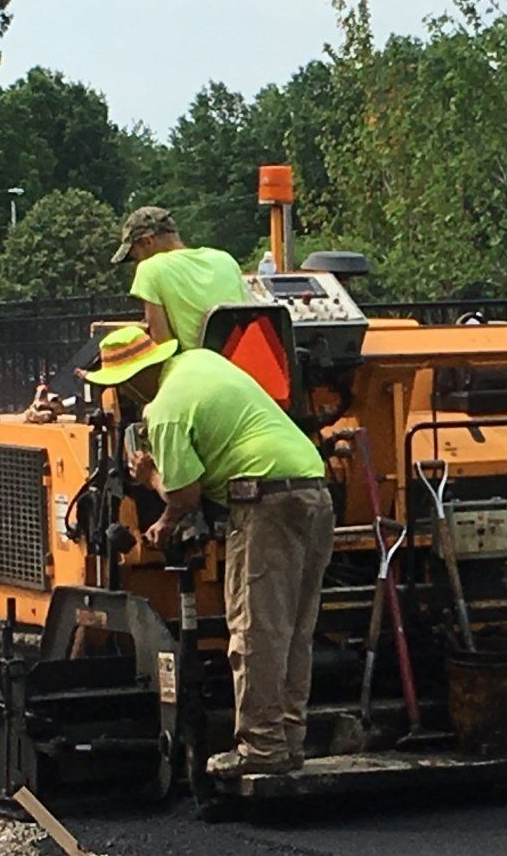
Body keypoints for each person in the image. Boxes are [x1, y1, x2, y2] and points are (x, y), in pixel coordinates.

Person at [80, 323, 334, 776]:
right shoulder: (201, 362)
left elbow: (185, 494)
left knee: (256, 630)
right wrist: (167, 521)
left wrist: (148, 478)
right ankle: (287, 741)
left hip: (265, 502)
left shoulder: (165, 410)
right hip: (313, 490)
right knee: (294, 629)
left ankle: (261, 749)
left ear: (133, 378)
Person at [113, 206, 249, 352]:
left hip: (194, 368)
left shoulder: (150, 269)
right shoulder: (225, 259)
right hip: (239, 364)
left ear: (148, 241)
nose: (137, 262)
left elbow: (163, 347)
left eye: (136, 256)